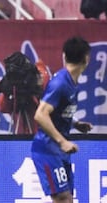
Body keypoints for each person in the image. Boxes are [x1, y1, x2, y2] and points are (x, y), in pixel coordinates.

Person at [31, 36, 93, 203]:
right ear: (86, 58)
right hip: (48, 148)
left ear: (64, 55)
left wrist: (75, 123)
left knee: (67, 199)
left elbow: (58, 110)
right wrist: (62, 141)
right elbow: (40, 114)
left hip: (58, 150)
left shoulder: (71, 82)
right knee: (62, 198)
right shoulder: (60, 83)